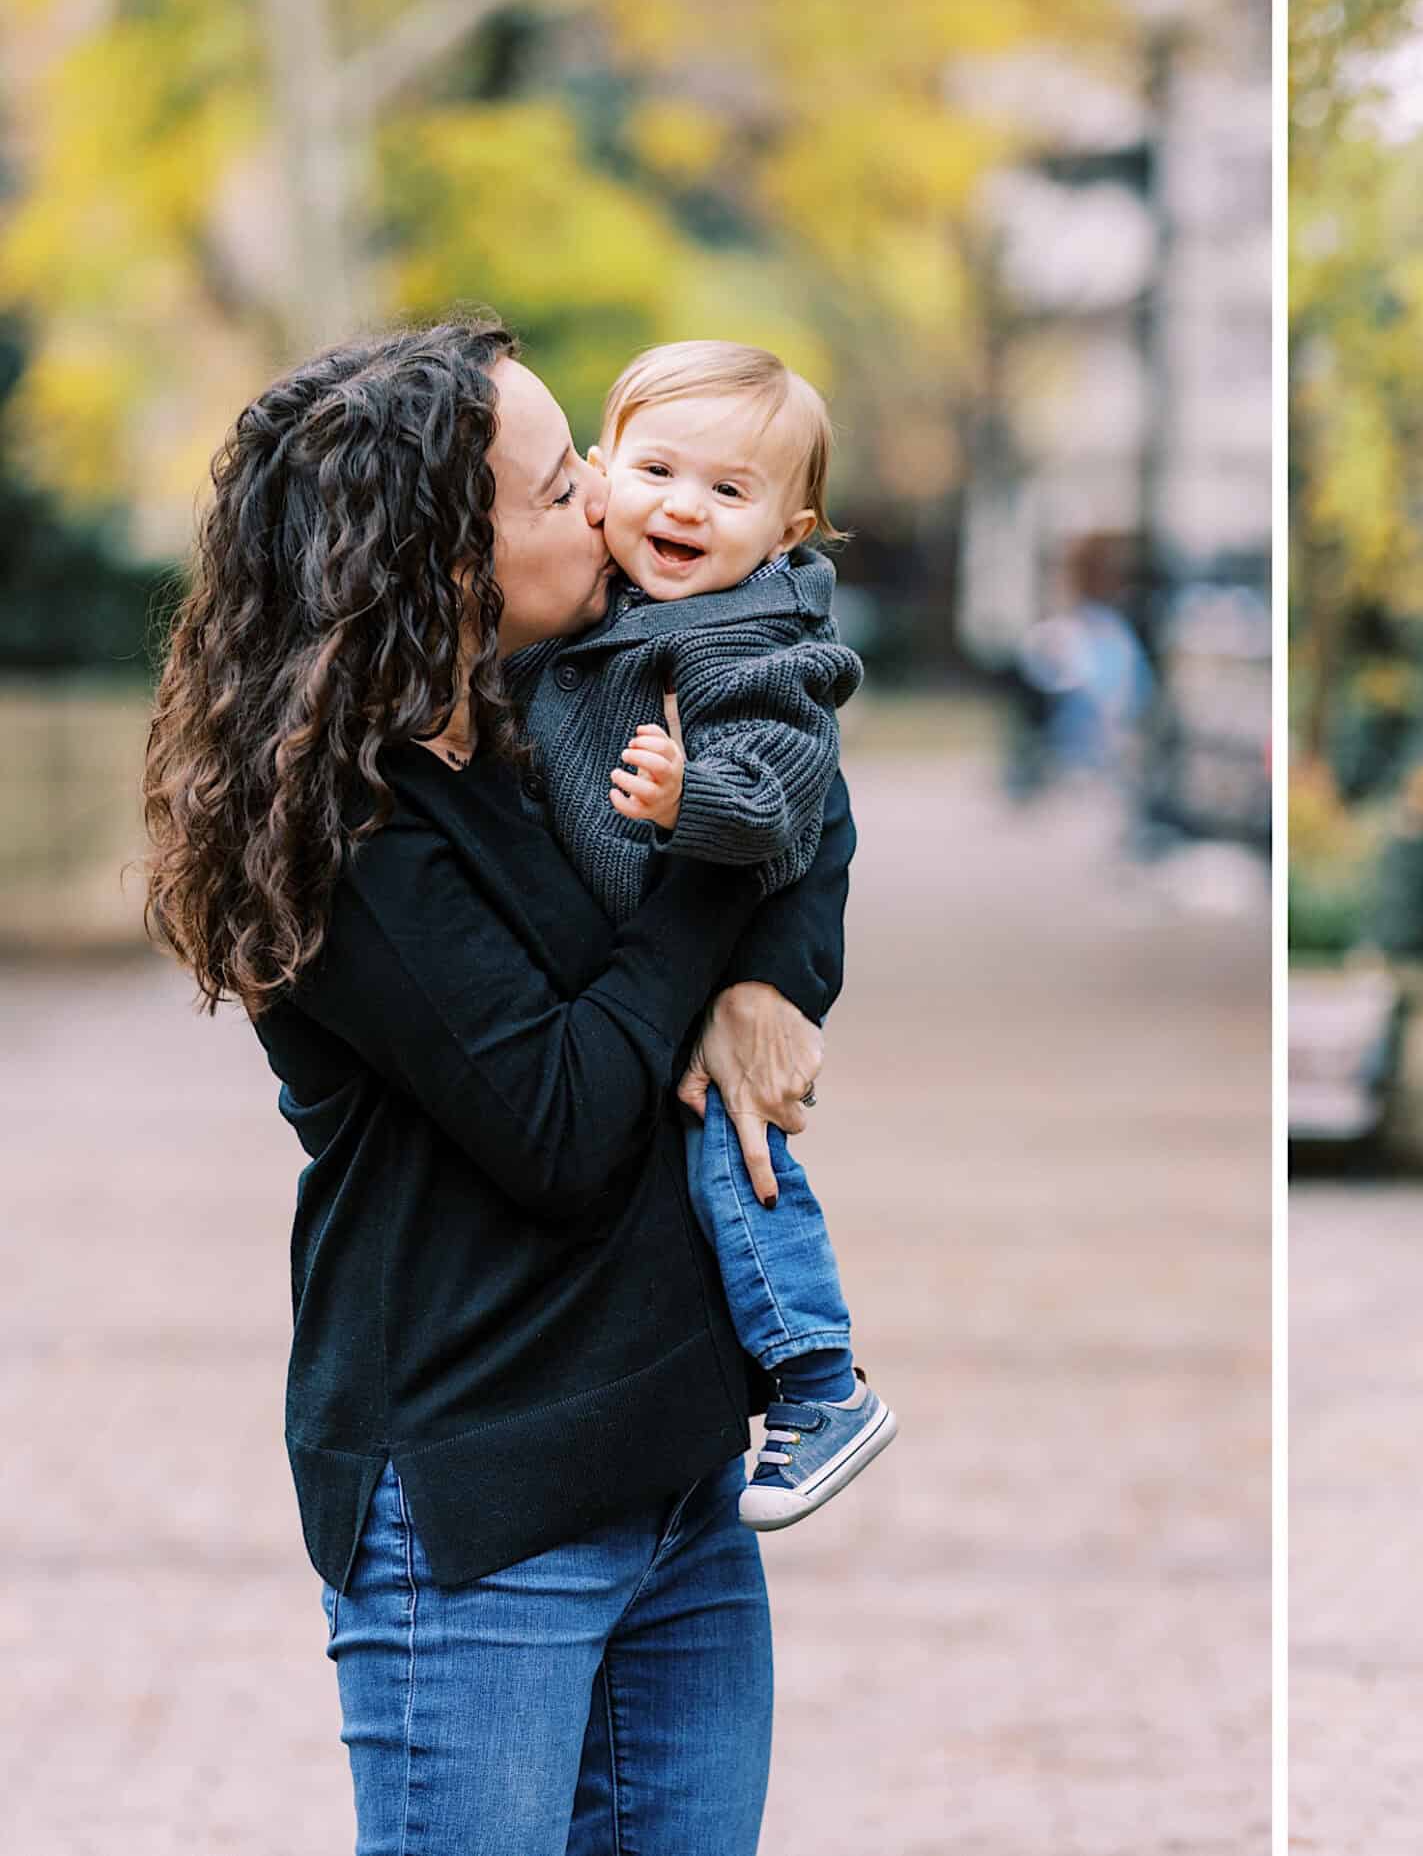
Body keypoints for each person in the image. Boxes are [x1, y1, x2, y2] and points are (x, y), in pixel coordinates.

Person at [139, 318, 849, 1852]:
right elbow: (565, 1121)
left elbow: (806, 795)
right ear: (444, 562)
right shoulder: (354, 833)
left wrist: (761, 981)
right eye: (555, 485)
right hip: (481, 1501)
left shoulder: (557, 724)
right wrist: (714, 903)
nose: (604, 497)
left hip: (673, 1480)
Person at [519, 339, 895, 1532]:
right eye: (658, 470)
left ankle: (819, 1379)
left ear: (789, 530)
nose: (684, 506)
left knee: (739, 1160)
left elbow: (789, 785)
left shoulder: (749, 634)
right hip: (641, 959)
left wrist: (699, 802)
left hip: (699, 956)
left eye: (729, 492)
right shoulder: (612, 601)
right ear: (597, 474)